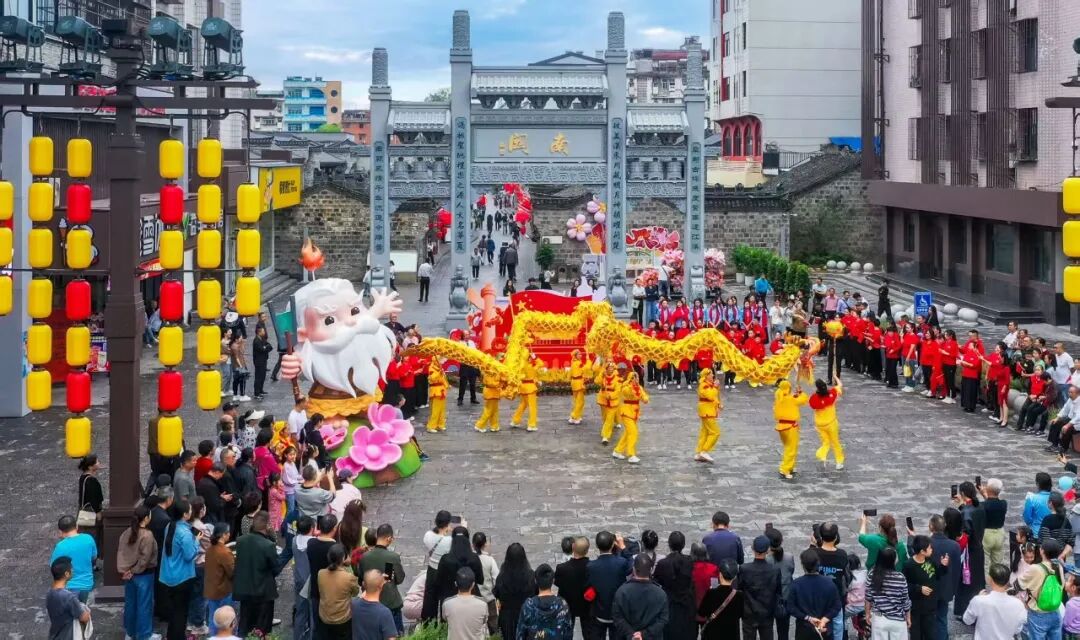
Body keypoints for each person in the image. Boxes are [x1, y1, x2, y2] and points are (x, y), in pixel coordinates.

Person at [233, 512, 282, 636]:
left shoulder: (240, 541)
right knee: (261, 629)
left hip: (245, 590)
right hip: (263, 592)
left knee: (245, 625)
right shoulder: (268, 545)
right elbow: (276, 569)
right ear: (267, 525)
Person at [117, 504, 158, 640]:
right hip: (144, 574)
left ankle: (130, 632)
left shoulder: (126, 532)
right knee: (144, 605)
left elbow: (121, 552)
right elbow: (144, 559)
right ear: (146, 518)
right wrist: (134, 570)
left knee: (130, 604)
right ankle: (144, 634)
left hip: (128, 574)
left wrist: (126, 571)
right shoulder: (147, 535)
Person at [160, 499, 199, 640]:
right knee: (181, 613)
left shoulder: (169, 526)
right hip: (182, 577)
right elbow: (189, 555)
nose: (191, 511)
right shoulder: (185, 533)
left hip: (167, 575)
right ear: (185, 514)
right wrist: (197, 541)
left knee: (173, 612)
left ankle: (171, 636)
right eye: (190, 509)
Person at [358, 524, 406, 635]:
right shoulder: (392, 557)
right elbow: (399, 579)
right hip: (390, 603)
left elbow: (361, 580)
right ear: (389, 538)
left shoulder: (364, 557)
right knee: (396, 634)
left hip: (370, 602)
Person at [962, 563, 1027, 640]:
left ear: (990, 579)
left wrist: (978, 598)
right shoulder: (1018, 604)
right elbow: (1017, 630)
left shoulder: (979, 600)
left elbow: (967, 620)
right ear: (1007, 581)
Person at [612, 553, 669, 640]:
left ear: (634, 569)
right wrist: (644, 634)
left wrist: (631, 634)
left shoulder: (622, 591)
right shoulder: (661, 593)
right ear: (651, 570)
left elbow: (617, 617)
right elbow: (663, 620)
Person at [587, 530, 632, 639]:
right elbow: (632, 564)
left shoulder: (591, 566)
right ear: (613, 545)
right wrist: (623, 547)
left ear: (597, 545)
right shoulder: (621, 562)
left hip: (599, 612)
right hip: (617, 612)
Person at [1019, 539, 1066, 640]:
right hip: (1055, 611)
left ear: (1042, 551)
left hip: (1038, 614)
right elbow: (1062, 585)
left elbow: (1020, 584)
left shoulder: (1035, 568)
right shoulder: (1059, 566)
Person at [737, 534, 781, 640]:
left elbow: (739, 589)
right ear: (768, 550)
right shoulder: (774, 570)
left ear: (753, 549)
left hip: (749, 612)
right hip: (767, 613)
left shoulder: (744, 569)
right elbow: (778, 592)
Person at [653, 531, 696, 640]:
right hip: (687, 605)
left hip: (669, 605)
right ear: (683, 545)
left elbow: (656, 581)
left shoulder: (663, 563)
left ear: (669, 544)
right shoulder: (690, 561)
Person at [903, 535, 947, 640]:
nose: (932, 549)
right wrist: (919, 588)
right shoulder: (909, 565)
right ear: (922, 551)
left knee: (930, 635)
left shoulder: (930, 560)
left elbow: (938, 575)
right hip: (916, 609)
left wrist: (943, 566)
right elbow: (904, 586)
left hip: (930, 607)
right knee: (916, 636)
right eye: (929, 548)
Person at [864, 547, 911, 640]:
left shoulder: (872, 575)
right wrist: (908, 617)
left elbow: (868, 598)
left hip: (879, 619)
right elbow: (905, 600)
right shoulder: (900, 577)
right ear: (892, 561)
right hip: (897, 619)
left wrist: (867, 614)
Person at [517, 563, 573, 639]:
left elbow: (520, 634)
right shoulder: (562, 605)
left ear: (536, 581)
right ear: (553, 581)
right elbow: (568, 634)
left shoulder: (528, 606)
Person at [50, 515, 98, 603]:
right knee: (83, 608)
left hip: (68, 586)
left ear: (60, 532)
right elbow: (94, 557)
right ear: (77, 526)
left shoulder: (60, 546)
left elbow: (53, 566)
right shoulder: (88, 539)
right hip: (86, 584)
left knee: (69, 610)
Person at [813, 522, 849, 640]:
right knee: (838, 624)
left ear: (820, 536)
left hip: (818, 596)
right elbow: (847, 576)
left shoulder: (814, 554)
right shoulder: (842, 554)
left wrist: (812, 545)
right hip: (836, 596)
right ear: (836, 537)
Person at [494, 542, 536, 640]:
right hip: (526, 615)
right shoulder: (530, 575)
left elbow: (497, 593)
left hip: (507, 618)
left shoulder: (502, 576)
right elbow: (535, 593)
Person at [318, 543, 359, 639]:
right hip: (342, 619)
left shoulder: (320, 573)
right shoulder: (349, 577)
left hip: (324, 617)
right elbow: (355, 593)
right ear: (343, 558)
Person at [436, 526, 485, 607]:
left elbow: (438, 581)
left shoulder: (445, 559)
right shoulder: (474, 558)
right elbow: (480, 580)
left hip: (449, 600)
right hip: (471, 597)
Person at [420, 511, 454, 622]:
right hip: (444, 572)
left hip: (431, 570)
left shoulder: (428, 535)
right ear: (448, 524)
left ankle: (428, 623)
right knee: (446, 598)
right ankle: (445, 624)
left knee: (430, 598)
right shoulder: (449, 541)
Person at [47, 556, 92, 640]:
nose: (73, 570)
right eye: (71, 569)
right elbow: (84, 618)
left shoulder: (50, 592)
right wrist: (87, 612)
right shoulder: (69, 597)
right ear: (66, 574)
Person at [698, 557, 743, 639]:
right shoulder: (739, 595)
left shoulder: (711, 593)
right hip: (731, 634)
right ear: (734, 577)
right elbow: (740, 614)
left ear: (720, 574)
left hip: (713, 634)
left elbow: (701, 612)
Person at [773, 380, 809, 480]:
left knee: (788, 447)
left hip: (781, 426)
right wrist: (800, 392)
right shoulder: (791, 399)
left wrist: (795, 394)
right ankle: (785, 469)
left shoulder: (779, 397)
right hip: (790, 427)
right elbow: (804, 399)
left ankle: (790, 466)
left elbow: (791, 397)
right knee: (791, 449)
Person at [554, 536, 589, 638]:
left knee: (566, 633)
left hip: (567, 603)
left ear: (573, 547)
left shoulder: (561, 568)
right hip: (586, 604)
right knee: (588, 633)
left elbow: (557, 583)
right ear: (587, 550)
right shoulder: (591, 567)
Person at [204, 523, 235, 636]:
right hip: (223, 590)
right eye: (228, 533)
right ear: (223, 535)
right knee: (226, 620)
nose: (229, 534)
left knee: (213, 618)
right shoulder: (225, 552)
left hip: (211, 589)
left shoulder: (210, 549)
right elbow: (232, 572)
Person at [443, 567, 489, 640]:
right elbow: (484, 621)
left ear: (456, 583)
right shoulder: (483, 604)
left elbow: (445, 618)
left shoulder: (447, 603)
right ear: (473, 584)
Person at [612, 371, 648, 464]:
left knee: (628, 433)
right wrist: (631, 385)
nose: (636, 379)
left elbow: (644, 396)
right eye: (634, 378)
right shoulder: (626, 387)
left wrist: (645, 399)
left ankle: (617, 451)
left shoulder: (639, 387)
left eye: (637, 377)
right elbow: (626, 392)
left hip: (634, 413)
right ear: (630, 379)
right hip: (626, 413)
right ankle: (631, 454)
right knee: (633, 433)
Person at [809, 376, 845, 470]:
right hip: (831, 423)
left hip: (820, 425)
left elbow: (812, 405)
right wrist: (835, 377)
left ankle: (822, 455)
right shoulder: (832, 394)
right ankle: (839, 462)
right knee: (835, 443)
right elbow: (840, 385)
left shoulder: (814, 398)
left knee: (826, 442)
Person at [351, 569, 399, 640]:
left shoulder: (353, 604)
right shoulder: (384, 613)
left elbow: (365, 592)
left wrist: (377, 581)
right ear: (381, 586)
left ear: (363, 584)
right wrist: (380, 581)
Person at [472, 532, 500, 636]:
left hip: (474, 599)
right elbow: (497, 579)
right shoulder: (490, 560)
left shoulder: (470, 559)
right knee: (493, 627)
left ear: (472, 544)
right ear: (485, 544)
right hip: (489, 599)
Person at [695, 368, 722, 463]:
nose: (713, 376)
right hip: (707, 411)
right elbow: (710, 396)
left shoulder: (709, 385)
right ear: (706, 376)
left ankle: (699, 452)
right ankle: (704, 450)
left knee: (705, 432)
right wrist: (715, 387)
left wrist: (718, 404)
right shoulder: (704, 385)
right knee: (715, 432)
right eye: (711, 375)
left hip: (708, 410)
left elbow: (714, 397)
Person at [1025, 472, 1055, 537]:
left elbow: (1027, 518)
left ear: (1038, 484)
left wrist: (1032, 524)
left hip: (1037, 533)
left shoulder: (1031, 498)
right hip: (1053, 534)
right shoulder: (1056, 497)